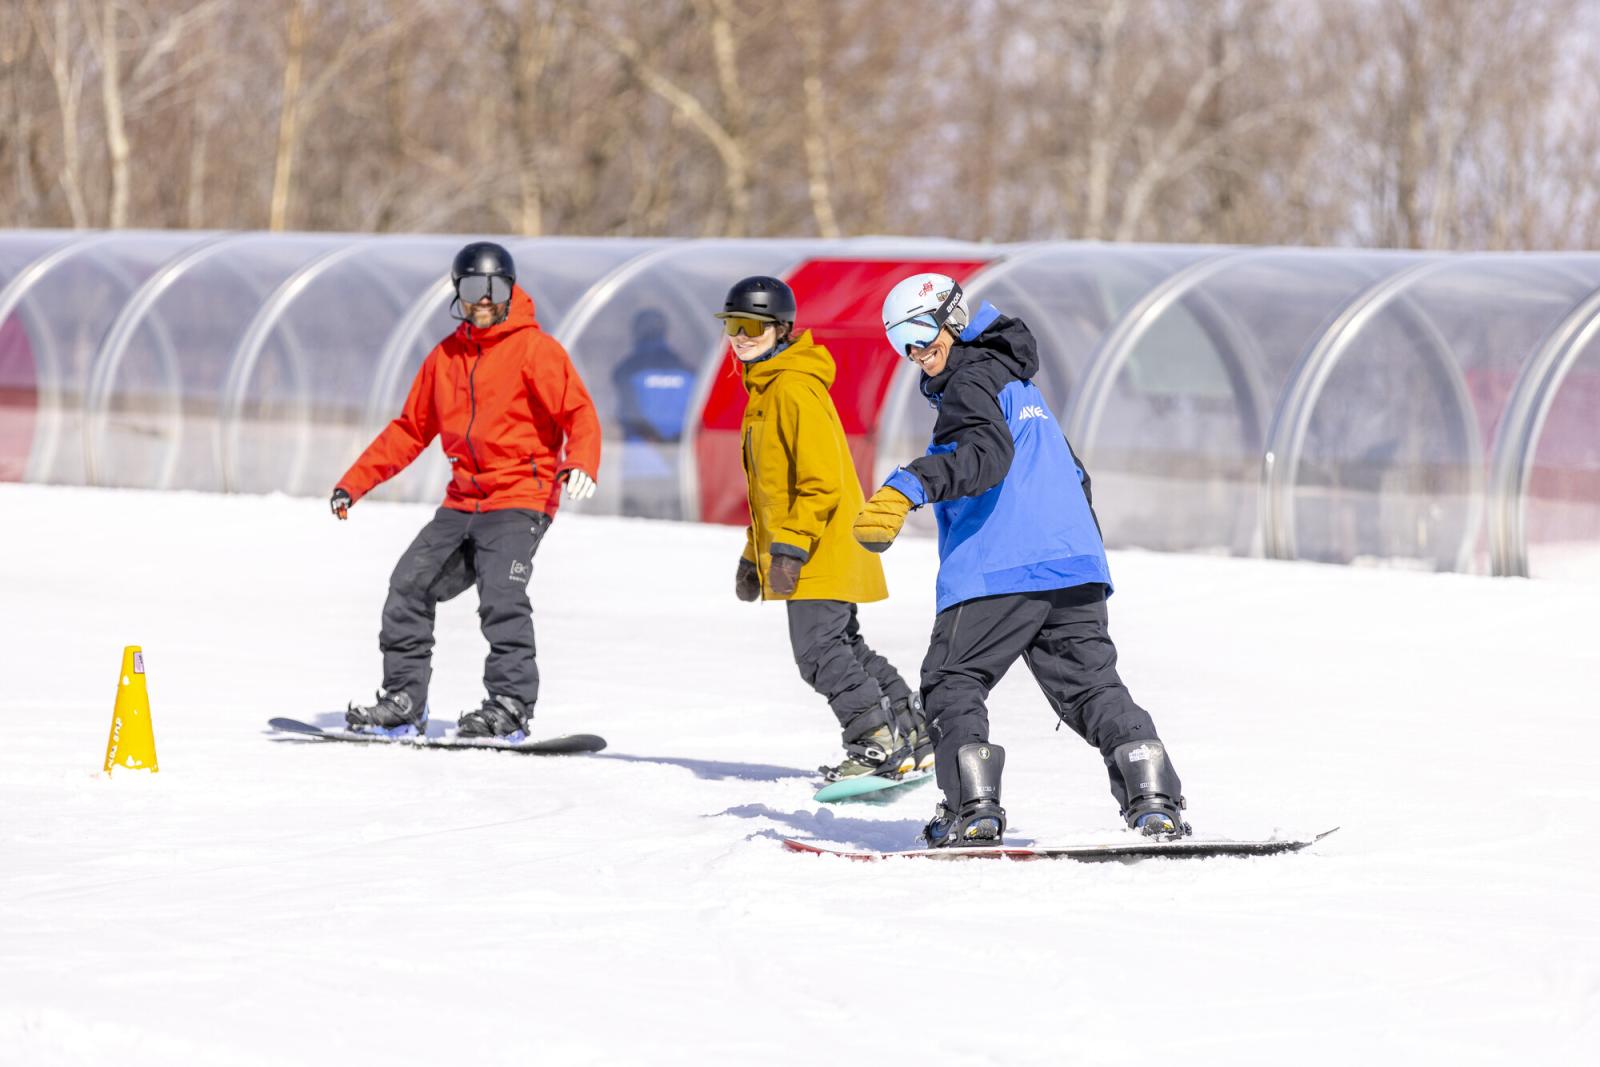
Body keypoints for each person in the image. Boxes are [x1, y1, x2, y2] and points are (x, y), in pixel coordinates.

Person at [854, 272, 1188, 847]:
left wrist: (910, 483)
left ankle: (972, 809)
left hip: (1000, 566)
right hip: (1073, 566)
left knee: (952, 681)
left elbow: (985, 457)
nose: (914, 351)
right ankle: (1152, 797)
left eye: (918, 331)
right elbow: (1076, 475)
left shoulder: (967, 381)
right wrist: (1075, 554)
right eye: (898, 342)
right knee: (1091, 688)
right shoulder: (1019, 386)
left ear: (951, 320)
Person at [330, 241, 601, 740]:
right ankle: (405, 700)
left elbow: (578, 413)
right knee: (408, 585)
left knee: (502, 595)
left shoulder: (536, 351)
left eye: (492, 288)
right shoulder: (445, 357)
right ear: (458, 293)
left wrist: (580, 461)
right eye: (472, 288)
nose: (482, 299)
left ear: (509, 290)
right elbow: (411, 429)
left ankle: (510, 705)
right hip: (462, 502)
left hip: (521, 497)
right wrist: (354, 483)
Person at [719, 275, 930, 780]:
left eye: (753, 325)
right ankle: (913, 729)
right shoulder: (764, 390)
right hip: (809, 546)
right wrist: (755, 555)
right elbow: (770, 492)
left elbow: (819, 482)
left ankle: (874, 743)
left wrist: (788, 551)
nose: (742, 336)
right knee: (845, 647)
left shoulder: (792, 388)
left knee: (818, 654)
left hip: (819, 547)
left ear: (782, 330)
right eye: (733, 324)